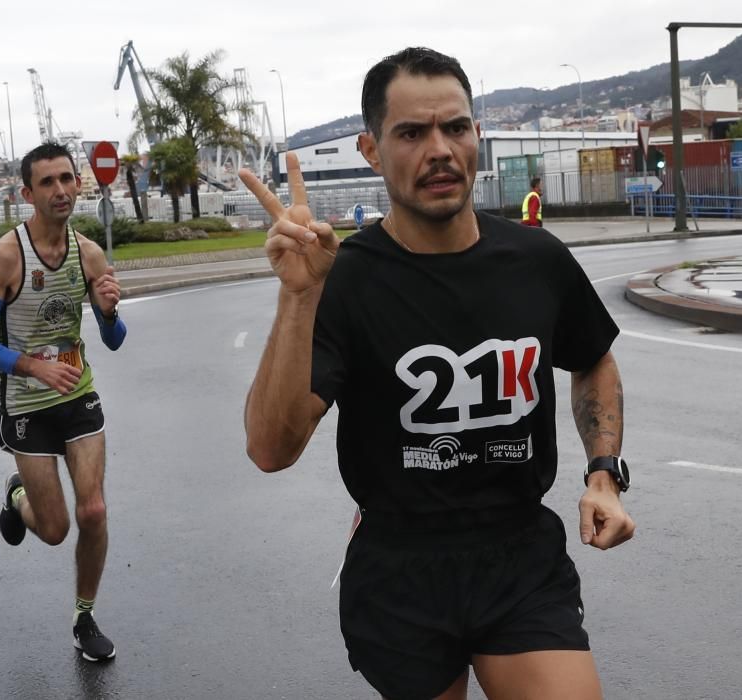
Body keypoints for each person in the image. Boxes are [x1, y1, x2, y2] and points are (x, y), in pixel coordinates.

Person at [239, 47, 634, 700]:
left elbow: (592, 358)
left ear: (477, 132)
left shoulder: (536, 259)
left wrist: (603, 473)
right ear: (371, 149)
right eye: (412, 133)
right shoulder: (344, 278)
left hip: (519, 556)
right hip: (398, 568)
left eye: (455, 127)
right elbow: (270, 449)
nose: (440, 149)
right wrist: (300, 297)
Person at [0, 141, 127, 662]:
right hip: (27, 403)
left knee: (94, 510)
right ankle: (17, 498)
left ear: (77, 184)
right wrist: (32, 365)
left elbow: (117, 338)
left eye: (66, 179)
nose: (60, 190)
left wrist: (106, 314)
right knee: (54, 530)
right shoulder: (8, 255)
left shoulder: (89, 253)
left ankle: (85, 616)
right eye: (47, 183)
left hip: (78, 394)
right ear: (28, 193)